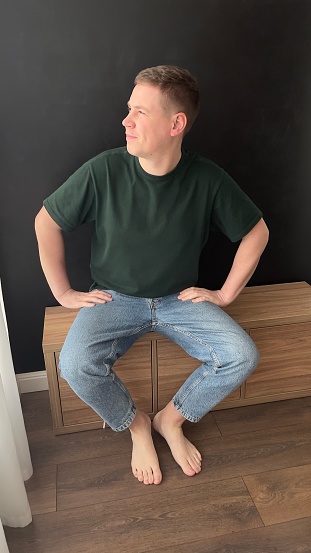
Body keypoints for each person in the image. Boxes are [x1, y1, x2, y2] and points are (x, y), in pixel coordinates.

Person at [35, 65, 269, 486]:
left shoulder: (207, 178)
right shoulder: (104, 170)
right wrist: (65, 292)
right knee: (74, 364)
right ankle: (137, 425)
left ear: (176, 123)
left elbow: (257, 231)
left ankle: (171, 420)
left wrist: (226, 293)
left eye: (140, 112)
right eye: (129, 109)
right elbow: (46, 221)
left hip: (180, 300)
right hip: (113, 299)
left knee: (241, 355)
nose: (126, 121)